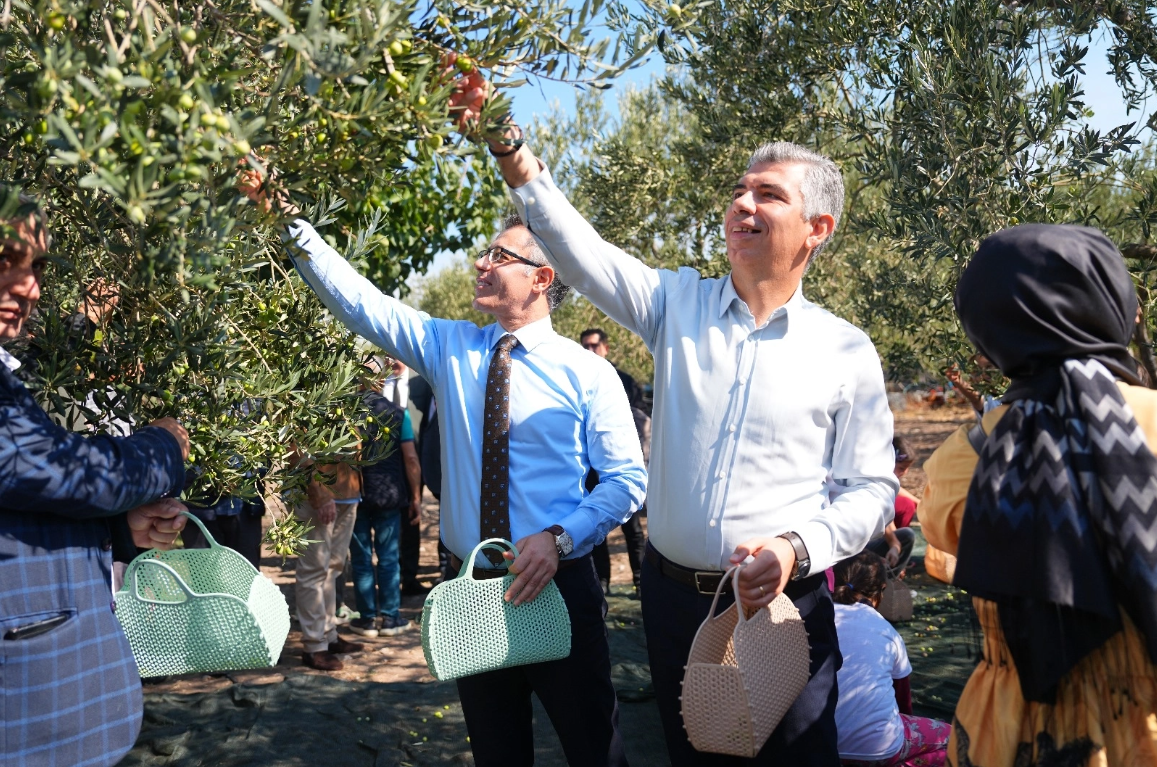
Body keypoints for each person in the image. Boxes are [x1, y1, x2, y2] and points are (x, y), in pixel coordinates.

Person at [461, 85, 897, 764]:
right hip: (674, 608)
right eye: (740, 190)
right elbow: (576, 247)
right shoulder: (675, 304)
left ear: (818, 228)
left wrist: (794, 548)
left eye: (769, 195)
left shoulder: (844, 349)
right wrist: (507, 145)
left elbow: (870, 489)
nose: (743, 204)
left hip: (785, 610)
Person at [240, 174, 648, 767]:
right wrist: (286, 218)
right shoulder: (449, 346)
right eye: (484, 252)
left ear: (541, 278)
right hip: (472, 589)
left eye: (498, 255)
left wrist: (559, 540)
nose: (481, 263)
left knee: (593, 746)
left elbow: (624, 482)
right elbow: (358, 301)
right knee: (496, 751)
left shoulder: (588, 373)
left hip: (558, 585)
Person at [919, 224, 1157, 766]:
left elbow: (944, 544)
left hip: (1008, 730)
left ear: (988, 337)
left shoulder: (957, 463)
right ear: (1113, 306)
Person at [0, 192, 191, 767]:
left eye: (36, 267)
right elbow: (67, 473)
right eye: (9, 259)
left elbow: (26, 500)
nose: (30, 286)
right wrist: (164, 446)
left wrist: (122, 525)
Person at [832, 552, 951, 766]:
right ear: (880, 593)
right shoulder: (886, 631)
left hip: (820, 745)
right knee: (953, 740)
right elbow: (903, 700)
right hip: (881, 750)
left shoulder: (812, 619)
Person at [347, 358, 422, 637]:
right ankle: (390, 618)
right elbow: (411, 459)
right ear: (379, 381)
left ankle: (367, 619)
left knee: (362, 557)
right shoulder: (397, 413)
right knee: (389, 557)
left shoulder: (346, 414)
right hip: (390, 493)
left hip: (357, 492)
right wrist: (415, 497)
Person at [581, 327, 649, 595]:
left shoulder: (624, 380)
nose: (589, 351)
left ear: (605, 348)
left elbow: (641, 420)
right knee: (594, 530)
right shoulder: (578, 378)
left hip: (619, 468)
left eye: (594, 346)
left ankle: (640, 579)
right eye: (584, 346)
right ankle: (603, 582)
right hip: (589, 471)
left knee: (631, 529)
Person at [293, 441, 365, 670]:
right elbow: (294, 448)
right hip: (317, 496)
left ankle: (328, 634)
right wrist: (319, 493)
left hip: (348, 491)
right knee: (314, 570)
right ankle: (314, 646)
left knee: (333, 568)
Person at [863, 435, 918, 578]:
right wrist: (894, 544)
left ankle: (891, 574)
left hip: (873, 537)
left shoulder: (886, 482)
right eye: (901, 468)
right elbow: (882, 514)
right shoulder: (870, 478)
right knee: (906, 509)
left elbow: (889, 524)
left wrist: (895, 545)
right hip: (856, 545)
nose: (904, 473)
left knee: (905, 535)